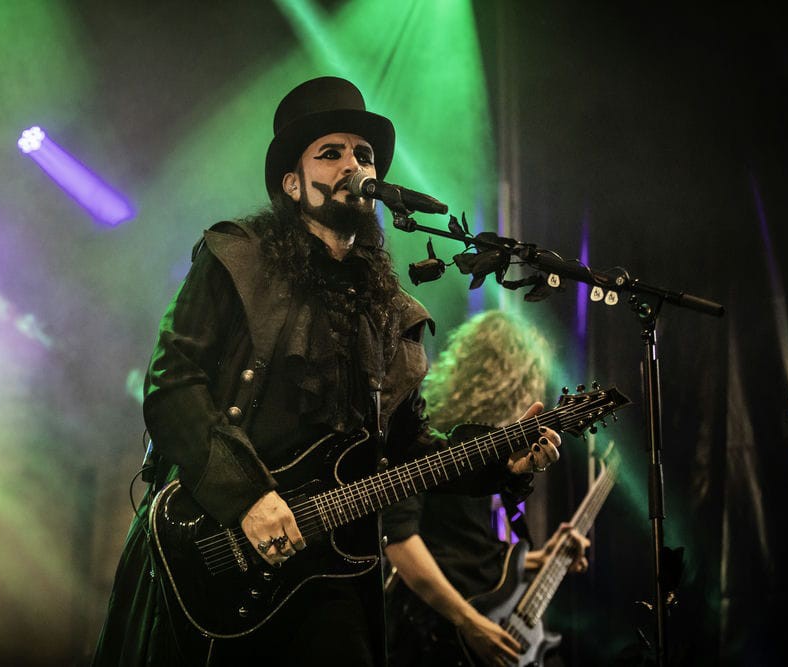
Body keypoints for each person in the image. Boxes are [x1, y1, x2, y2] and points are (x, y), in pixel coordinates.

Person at [91, 76, 564, 667]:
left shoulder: (391, 310)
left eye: (363, 155)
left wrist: (500, 460)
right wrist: (247, 497)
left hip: (333, 570)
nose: (353, 165)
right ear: (293, 184)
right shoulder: (235, 259)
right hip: (216, 547)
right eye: (331, 153)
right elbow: (172, 384)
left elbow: (406, 449)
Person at [383, 309, 591, 667]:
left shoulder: (485, 456)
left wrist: (542, 559)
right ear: (516, 379)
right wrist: (471, 623)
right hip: (432, 630)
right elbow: (399, 541)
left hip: (468, 617)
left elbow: (464, 548)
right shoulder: (427, 440)